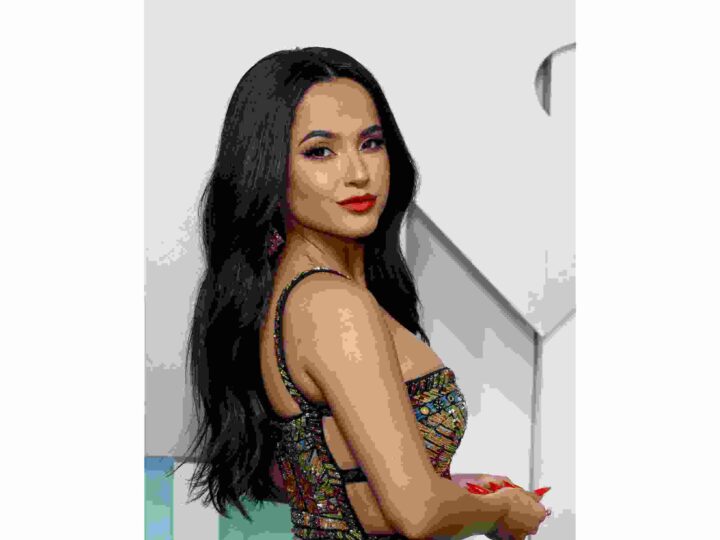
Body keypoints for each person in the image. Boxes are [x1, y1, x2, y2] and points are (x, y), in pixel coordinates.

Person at [181, 46, 548, 539]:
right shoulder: (333, 308)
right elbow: (419, 515)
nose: (357, 172)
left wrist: (463, 492)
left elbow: (341, 491)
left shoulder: (288, 295)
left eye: (371, 143)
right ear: (268, 168)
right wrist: (503, 510)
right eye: (320, 151)